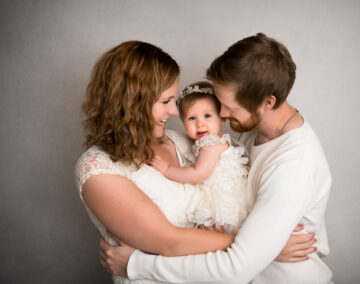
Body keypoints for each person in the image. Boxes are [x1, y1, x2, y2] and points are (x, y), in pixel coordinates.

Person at [75, 40, 315, 284]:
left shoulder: (185, 141)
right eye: (165, 101)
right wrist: (264, 247)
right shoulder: (98, 169)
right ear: (133, 102)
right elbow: (169, 241)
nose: (173, 112)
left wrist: (259, 247)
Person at [150, 81, 249, 234]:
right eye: (192, 118)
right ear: (183, 122)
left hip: (224, 202)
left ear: (222, 118)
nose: (200, 124)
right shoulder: (219, 140)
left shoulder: (210, 144)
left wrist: (167, 169)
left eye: (207, 116)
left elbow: (197, 174)